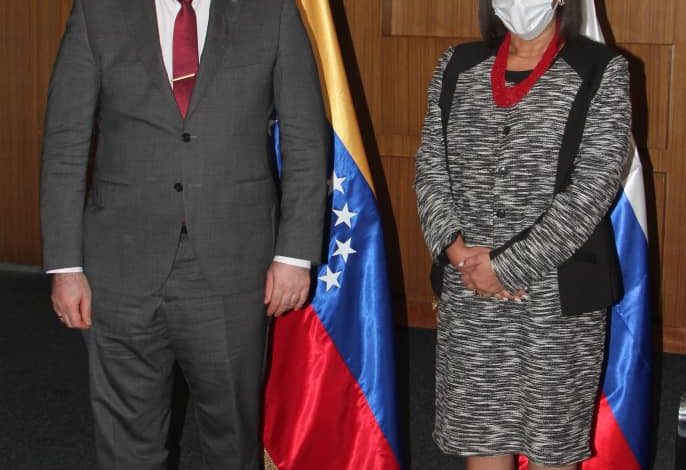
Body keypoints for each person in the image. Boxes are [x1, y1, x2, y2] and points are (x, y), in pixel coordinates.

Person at [40, 0, 329, 468]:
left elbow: (306, 141)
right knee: (125, 444)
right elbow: (64, 144)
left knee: (232, 440)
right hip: (118, 268)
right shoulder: (97, 11)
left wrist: (294, 254)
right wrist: (65, 265)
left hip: (234, 267)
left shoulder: (271, 11)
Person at [414, 0, 631, 469]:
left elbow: (593, 188)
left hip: (556, 296)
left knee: (552, 445)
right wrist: (456, 251)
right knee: (483, 436)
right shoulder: (457, 64)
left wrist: (507, 267)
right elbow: (430, 169)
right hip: (470, 288)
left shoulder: (601, 69)